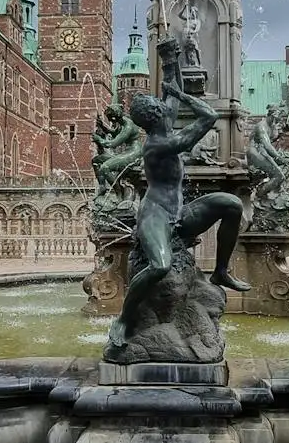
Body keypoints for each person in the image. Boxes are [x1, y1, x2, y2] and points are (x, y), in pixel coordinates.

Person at [106, 83, 250, 352]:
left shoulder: (164, 128)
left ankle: (220, 272)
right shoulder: (160, 144)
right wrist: (182, 95)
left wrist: (171, 70)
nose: (168, 109)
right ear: (157, 115)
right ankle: (125, 320)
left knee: (231, 205)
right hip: (155, 214)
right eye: (163, 108)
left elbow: (171, 89)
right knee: (160, 266)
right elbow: (209, 116)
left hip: (179, 212)